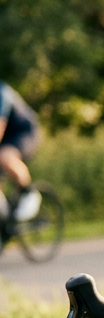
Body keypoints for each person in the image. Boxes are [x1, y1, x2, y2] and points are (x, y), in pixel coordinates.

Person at [0, 81, 42, 221]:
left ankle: (27, 193)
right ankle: (5, 218)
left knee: (4, 156)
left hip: (24, 133)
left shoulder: (2, 92)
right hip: (5, 140)